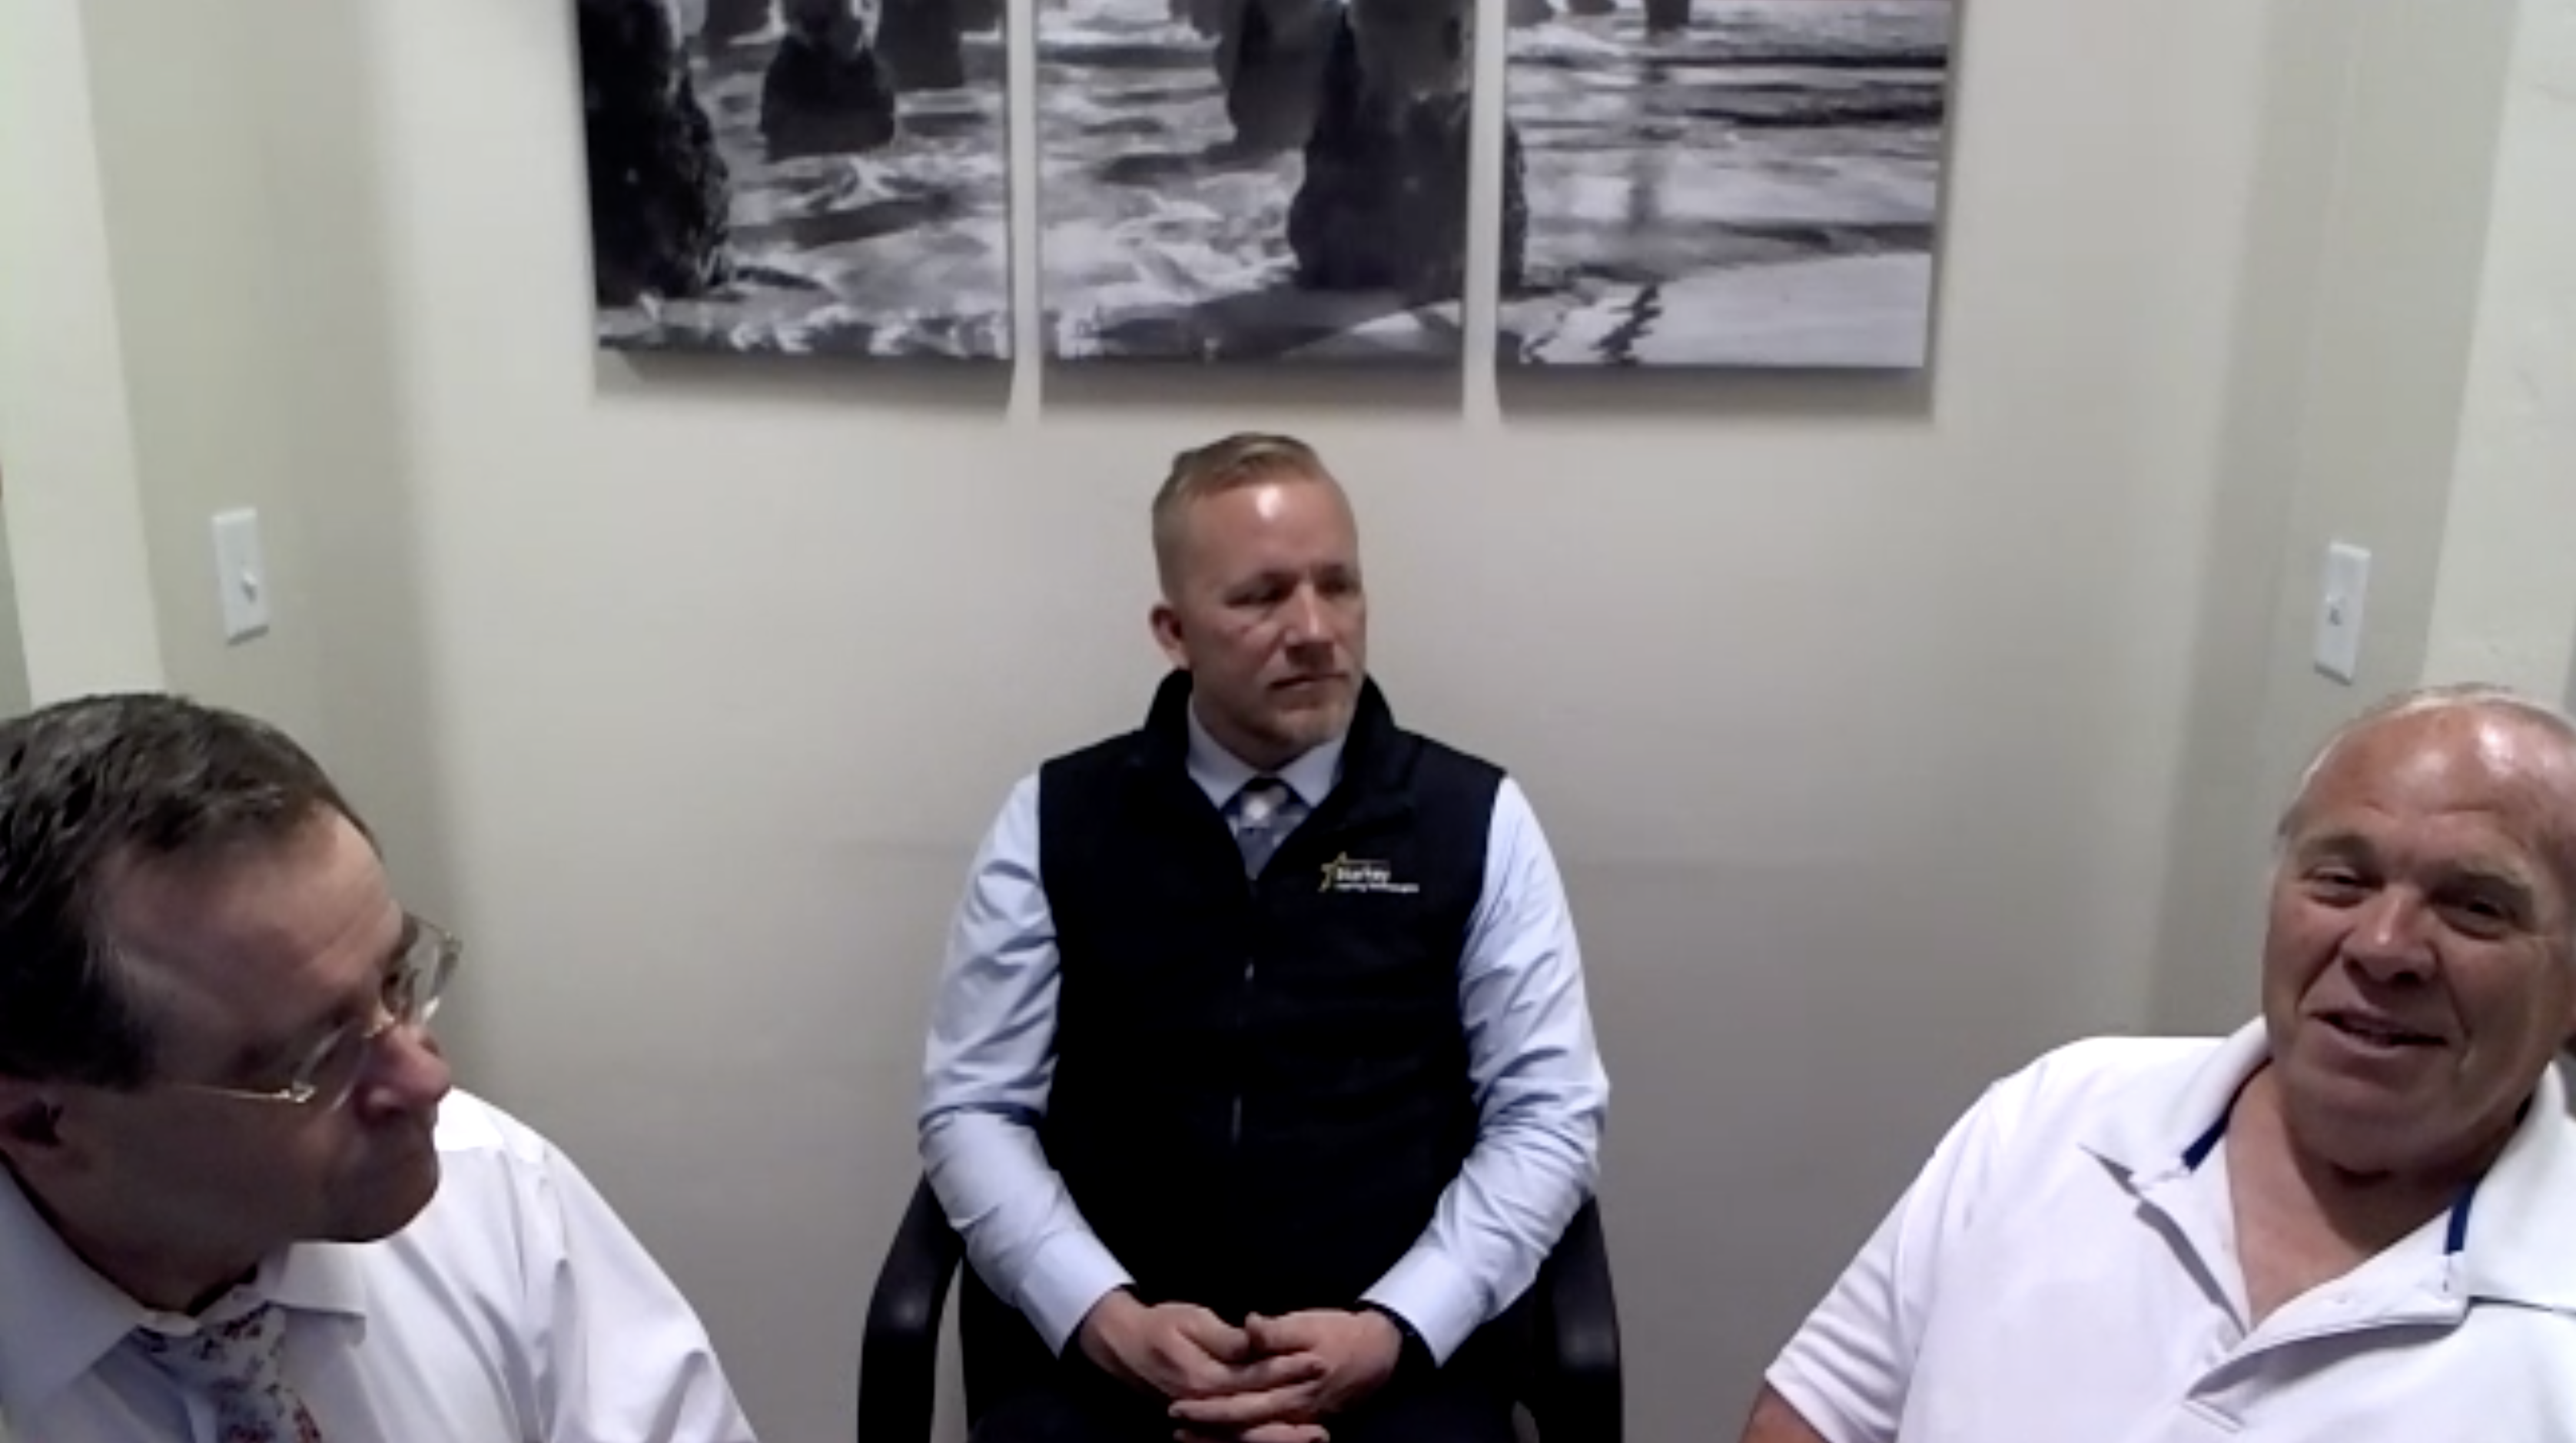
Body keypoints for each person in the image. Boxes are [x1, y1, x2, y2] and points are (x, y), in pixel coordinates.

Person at [918, 433, 1609, 1443]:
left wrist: (1396, 1326)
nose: (1315, 630)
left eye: (1339, 586)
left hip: (1393, 1372)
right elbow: (975, 1105)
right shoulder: (1057, 818)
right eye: (1262, 597)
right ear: (1174, 631)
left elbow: (1547, 1113)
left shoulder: (1473, 819)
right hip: (1117, 1371)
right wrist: (1103, 1316)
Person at [1738, 682, 2576, 1443]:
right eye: (2340, 880)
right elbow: (1814, 1418)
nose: (2382, 946)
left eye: (2476, 907)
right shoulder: (2058, 1113)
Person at [0, 693, 759, 1442]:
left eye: (396, 980)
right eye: (315, 1056)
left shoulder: (490, 1189)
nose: (427, 1081)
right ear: (39, 1125)